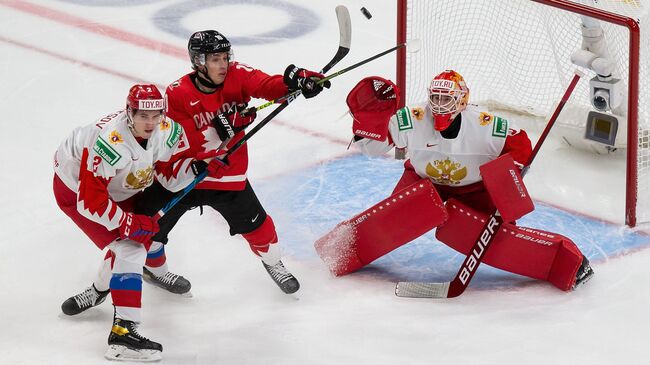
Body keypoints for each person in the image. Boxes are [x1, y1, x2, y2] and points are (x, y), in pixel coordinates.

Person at [315, 71, 594, 292]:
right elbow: (373, 149)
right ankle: (340, 251)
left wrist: (512, 173)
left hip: (475, 190)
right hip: (423, 181)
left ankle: (566, 263)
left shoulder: (485, 125)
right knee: (396, 216)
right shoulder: (412, 118)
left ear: (462, 101)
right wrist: (369, 125)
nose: (438, 105)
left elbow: (520, 144)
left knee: (497, 242)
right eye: (434, 98)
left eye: (446, 99)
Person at [134, 30, 330, 294]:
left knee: (263, 232)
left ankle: (273, 262)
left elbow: (267, 86)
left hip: (227, 175)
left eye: (225, 57)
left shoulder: (238, 75)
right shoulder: (177, 93)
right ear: (199, 61)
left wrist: (294, 82)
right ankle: (155, 270)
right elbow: (174, 142)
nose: (223, 64)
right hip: (184, 175)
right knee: (148, 229)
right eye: (215, 59)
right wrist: (217, 130)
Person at [53, 84, 206, 361]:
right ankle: (122, 335)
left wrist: (194, 168)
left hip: (118, 184)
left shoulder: (166, 129)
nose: (150, 123)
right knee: (132, 249)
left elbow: (168, 174)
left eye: (155, 116)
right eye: (142, 116)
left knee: (131, 244)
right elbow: (90, 202)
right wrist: (126, 222)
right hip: (75, 189)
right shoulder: (110, 141)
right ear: (129, 113)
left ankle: (99, 291)